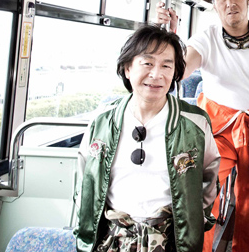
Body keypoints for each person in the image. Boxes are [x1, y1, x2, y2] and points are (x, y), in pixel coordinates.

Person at [156, 0, 249, 252]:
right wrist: (169, 35)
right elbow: (179, 71)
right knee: (201, 196)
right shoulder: (204, 40)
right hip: (216, 129)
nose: (230, 3)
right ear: (214, 5)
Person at [74, 25, 220, 252]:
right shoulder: (102, 122)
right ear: (127, 68)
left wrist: (193, 220)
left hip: (171, 239)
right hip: (111, 238)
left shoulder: (194, 123)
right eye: (148, 63)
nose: (156, 74)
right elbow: (85, 183)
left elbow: (209, 178)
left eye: (166, 66)